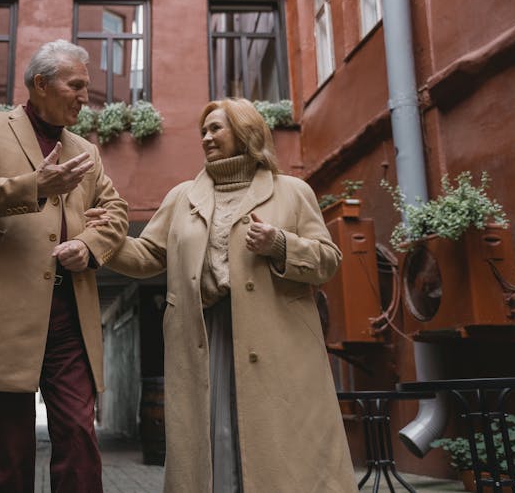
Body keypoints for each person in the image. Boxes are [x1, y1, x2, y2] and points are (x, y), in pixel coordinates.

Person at [87, 97, 355, 492]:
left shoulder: (293, 192)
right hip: (205, 335)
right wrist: (103, 240)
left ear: (245, 132)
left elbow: (328, 261)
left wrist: (280, 243)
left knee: (279, 443)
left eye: (216, 128)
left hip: (278, 338)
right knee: (213, 435)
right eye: (204, 131)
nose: (207, 138)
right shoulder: (182, 198)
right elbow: (148, 254)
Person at [0, 39, 128, 493]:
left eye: (87, 87)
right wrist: (33, 186)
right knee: (10, 449)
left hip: (70, 317)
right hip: (4, 314)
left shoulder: (87, 150)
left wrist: (89, 244)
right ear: (41, 84)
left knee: (80, 435)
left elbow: (117, 211)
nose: (86, 97)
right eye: (77, 85)